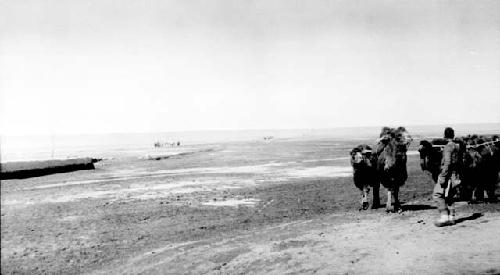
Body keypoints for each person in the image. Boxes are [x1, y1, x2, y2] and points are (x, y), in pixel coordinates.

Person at [433, 127, 462, 227]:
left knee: (437, 194)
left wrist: (442, 176)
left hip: (448, 175)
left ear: (445, 136)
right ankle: (452, 217)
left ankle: (444, 217)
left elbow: (447, 162)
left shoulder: (448, 147)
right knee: (450, 196)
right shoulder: (457, 146)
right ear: (453, 135)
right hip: (455, 175)